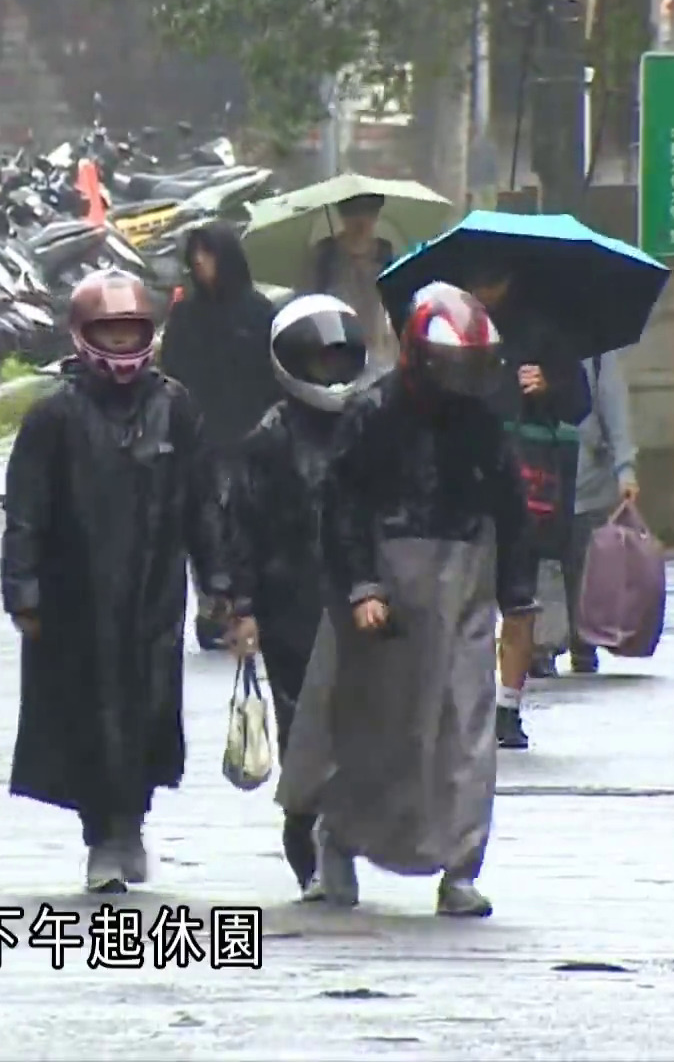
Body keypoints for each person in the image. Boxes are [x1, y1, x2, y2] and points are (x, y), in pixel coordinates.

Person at [275, 282, 533, 918]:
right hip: (388, 589)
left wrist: (519, 597)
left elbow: (512, 510)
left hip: (466, 579)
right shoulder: (373, 413)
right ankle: (336, 842)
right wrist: (362, 585)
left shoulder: (482, 423)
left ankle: (461, 865)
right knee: (371, 731)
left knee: (466, 728)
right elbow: (342, 507)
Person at [1, 269, 231, 894]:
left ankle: (131, 822)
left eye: (133, 330)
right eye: (110, 330)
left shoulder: (175, 406)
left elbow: (202, 501)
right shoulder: (54, 417)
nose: (123, 344)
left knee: (150, 712)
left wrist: (220, 582)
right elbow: (25, 510)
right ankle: (101, 835)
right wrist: (22, 591)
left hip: (154, 593)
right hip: (75, 597)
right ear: (81, 335)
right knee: (87, 717)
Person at [228, 293, 393, 895]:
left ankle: (342, 837)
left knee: (356, 726)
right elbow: (240, 528)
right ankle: (306, 838)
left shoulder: (369, 429)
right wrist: (241, 607)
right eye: (319, 363)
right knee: (303, 725)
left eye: (339, 361)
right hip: (288, 603)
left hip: (354, 599)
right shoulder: (268, 441)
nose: (332, 375)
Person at [462, 263, 592, 748]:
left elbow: (579, 404)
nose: (481, 288)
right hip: (465, 481)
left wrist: (548, 386)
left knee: (518, 599)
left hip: (523, 486)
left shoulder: (542, 333)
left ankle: (508, 706)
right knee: (467, 599)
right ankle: (467, 699)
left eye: (489, 278)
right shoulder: (449, 326)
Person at [159, 223, 280, 650]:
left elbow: (274, 374)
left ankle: (247, 607)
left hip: (252, 437)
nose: (199, 264)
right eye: (195, 255)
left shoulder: (259, 313)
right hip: (201, 441)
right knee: (205, 525)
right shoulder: (186, 316)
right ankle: (214, 606)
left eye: (208, 254)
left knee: (249, 525)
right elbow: (170, 372)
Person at [558, 350, 641, 675]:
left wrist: (625, 470)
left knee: (581, 568)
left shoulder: (596, 353)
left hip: (587, 482)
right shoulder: (521, 338)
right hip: (537, 480)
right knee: (542, 571)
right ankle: (541, 645)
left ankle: (583, 642)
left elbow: (615, 410)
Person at [310, 193, 397, 363]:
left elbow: (394, 300)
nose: (361, 221)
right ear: (341, 215)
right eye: (352, 213)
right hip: (336, 350)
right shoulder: (326, 254)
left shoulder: (385, 253)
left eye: (369, 212)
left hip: (377, 351)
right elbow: (310, 299)